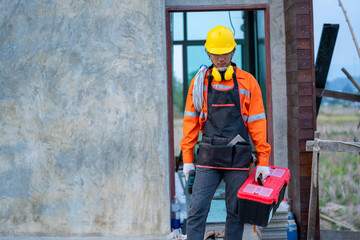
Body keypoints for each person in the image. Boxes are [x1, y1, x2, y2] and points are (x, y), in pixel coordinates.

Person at [180, 26, 271, 240]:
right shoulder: (199, 82)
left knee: (235, 213)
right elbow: (190, 121)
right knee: (197, 211)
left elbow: (258, 124)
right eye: (215, 53)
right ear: (208, 53)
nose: (220, 58)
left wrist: (263, 160)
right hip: (207, 158)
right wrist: (187, 159)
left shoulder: (248, 83)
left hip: (237, 159)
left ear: (233, 52)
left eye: (224, 53)